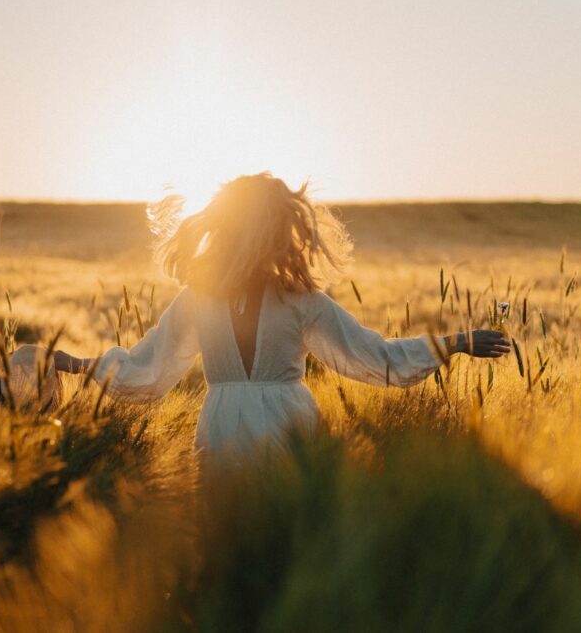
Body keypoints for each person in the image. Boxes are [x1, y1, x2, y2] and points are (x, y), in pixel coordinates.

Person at [52, 172, 509, 470]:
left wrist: (456, 341)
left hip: (228, 431)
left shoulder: (222, 299)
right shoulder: (288, 300)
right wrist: (455, 342)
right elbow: (375, 359)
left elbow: (144, 371)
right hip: (280, 434)